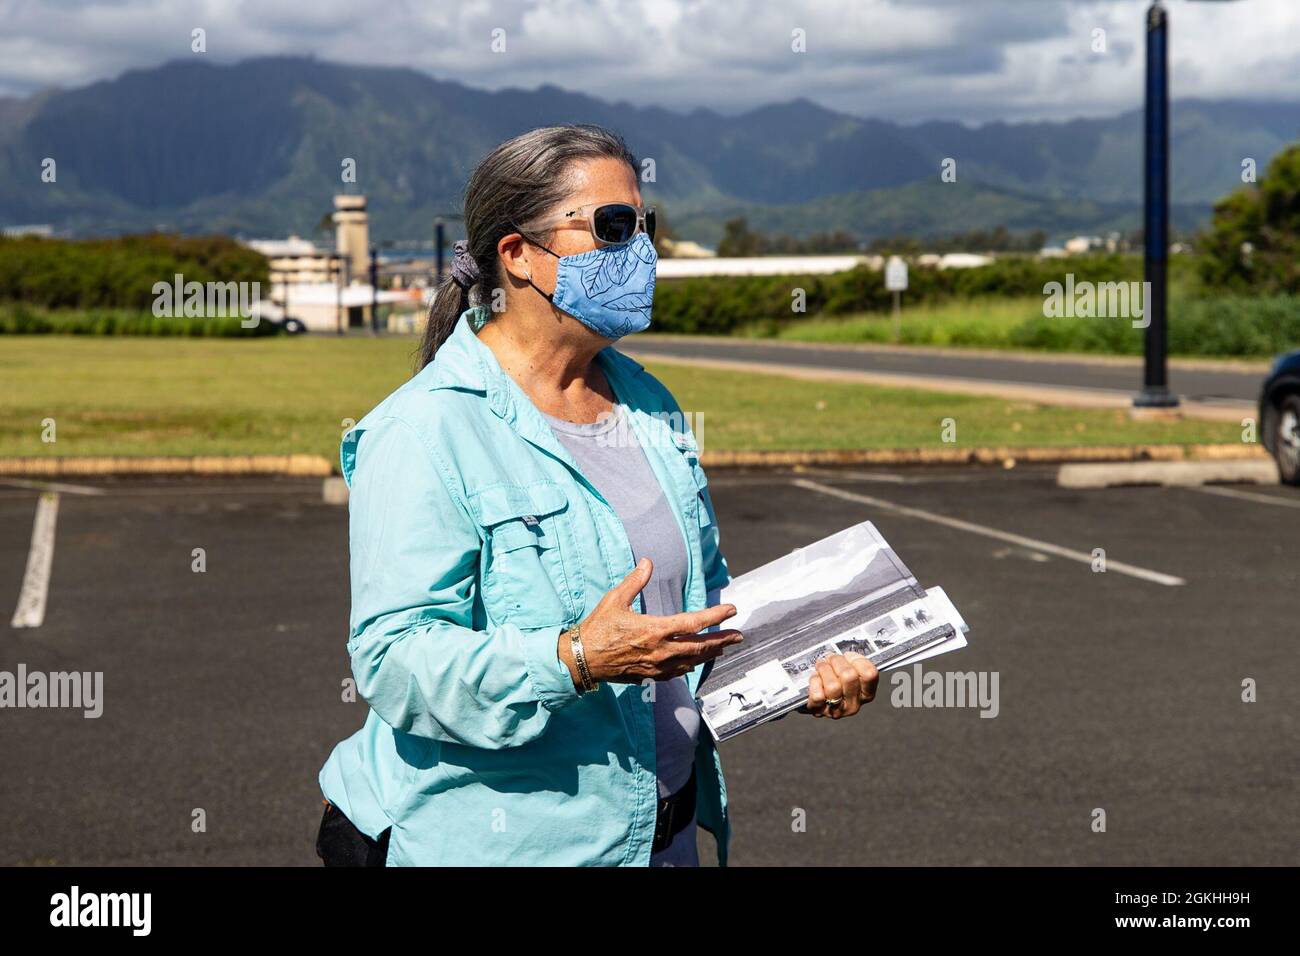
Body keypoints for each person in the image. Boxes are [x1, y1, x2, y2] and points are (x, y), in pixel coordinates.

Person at [315, 124, 880, 866]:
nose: (640, 250)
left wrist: (797, 663)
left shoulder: (647, 402)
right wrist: (574, 658)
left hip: (665, 837)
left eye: (645, 226)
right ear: (518, 255)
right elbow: (395, 662)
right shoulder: (424, 430)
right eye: (613, 228)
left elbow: (700, 599)